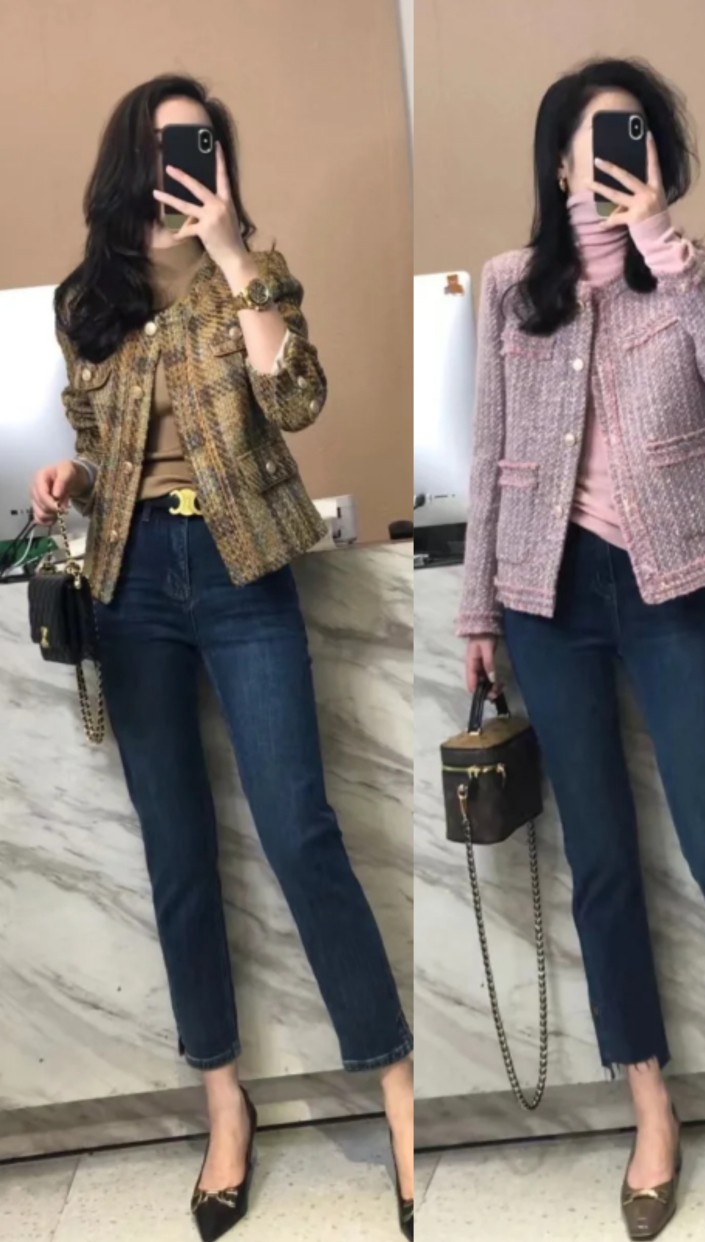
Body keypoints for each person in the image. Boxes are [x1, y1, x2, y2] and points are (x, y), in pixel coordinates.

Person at [30, 75, 413, 1242]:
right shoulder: (86, 301)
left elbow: (296, 398)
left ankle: (398, 1092)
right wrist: (72, 477)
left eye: (199, 144)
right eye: (164, 147)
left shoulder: (252, 268)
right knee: (178, 854)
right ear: (128, 160)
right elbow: (100, 444)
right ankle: (223, 1107)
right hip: (133, 581)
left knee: (300, 830)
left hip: (241, 569)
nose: (182, 163)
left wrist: (236, 251)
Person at [456, 57, 705, 1237]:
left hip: (669, 586)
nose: (615, 154)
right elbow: (487, 454)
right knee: (603, 861)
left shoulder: (689, 271)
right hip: (547, 597)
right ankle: (649, 1110)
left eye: (635, 136)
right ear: (558, 159)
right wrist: (478, 612)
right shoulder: (511, 287)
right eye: (596, 137)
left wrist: (664, 242)